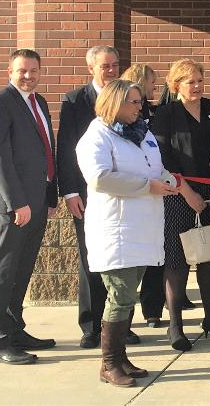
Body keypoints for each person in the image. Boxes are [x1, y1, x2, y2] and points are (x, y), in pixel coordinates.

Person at [74, 79, 180, 387]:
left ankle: (120, 359)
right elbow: (99, 178)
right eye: (133, 102)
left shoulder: (142, 133)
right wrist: (148, 187)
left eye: (139, 101)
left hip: (143, 226)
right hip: (116, 229)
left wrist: (169, 179)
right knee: (120, 295)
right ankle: (109, 363)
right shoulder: (96, 136)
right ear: (115, 103)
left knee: (128, 295)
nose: (140, 107)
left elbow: (153, 167)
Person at [57, 46, 139, 348]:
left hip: (125, 194)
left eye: (115, 65)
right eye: (105, 66)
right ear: (91, 68)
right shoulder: (75, 101)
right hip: (88, 194)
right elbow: (66, 148)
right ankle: (92, 327)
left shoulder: (128, 97)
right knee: (92, 258)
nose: (111, 71)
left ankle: (121, 326)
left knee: (124, 260)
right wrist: (70, 192)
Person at [150, 59, 210, 351]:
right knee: (177, 260)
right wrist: (187, 192)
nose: (197, 86)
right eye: (190, 82)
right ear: (176, 85)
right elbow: (162, 157)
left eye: (199, 80)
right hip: (179, 193)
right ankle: (175, 326)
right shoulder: (165, 114)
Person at [0, 49, 58, 365]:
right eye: (22, 71)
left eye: (33, 70)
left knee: (22, 270)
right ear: (9, 72)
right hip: (14, 206)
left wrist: (50, 197)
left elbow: (47, 151)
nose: (28, 76)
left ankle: (15, 330)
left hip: (37, 202)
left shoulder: (39, 103)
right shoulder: (0, 103)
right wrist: (18, 203)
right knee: (3, 272)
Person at [121, 63, 164, 328]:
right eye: (152, 82)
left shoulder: (152, 117)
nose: (154, 87)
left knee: (152, 259)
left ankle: (152, 310)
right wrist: (147, 186)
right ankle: (121, 326)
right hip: (125, 208)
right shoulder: (110, 129)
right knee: (125, 275)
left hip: (152, 204)